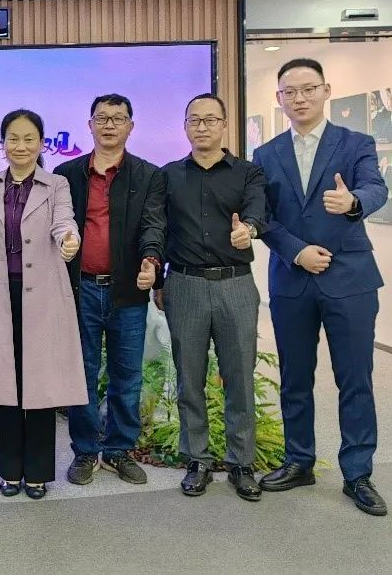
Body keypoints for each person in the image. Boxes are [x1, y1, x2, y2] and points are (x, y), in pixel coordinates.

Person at [253, 58, 388, 517]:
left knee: (355, 379)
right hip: (292, 280)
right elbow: (261, 217)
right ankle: (299, 461)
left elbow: (376, 188)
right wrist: (296, 252)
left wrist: (353, 202)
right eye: (290, 92)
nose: (300, 98)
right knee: (295, 377)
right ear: (279, 99)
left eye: (308, 89)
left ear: (326, 91)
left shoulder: (355, 143)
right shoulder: (266, 154)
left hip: (350, 279)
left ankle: (358, 473)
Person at [0, 109, 87, 499]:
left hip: (45, 296)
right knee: (6, 385)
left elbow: (64, 222)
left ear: (41, 143)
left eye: (29, 139)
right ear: (2, 143)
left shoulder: (56, 185)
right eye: (13, 138)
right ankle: (9, 471)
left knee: (40, 384)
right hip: (0, 294)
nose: (21, 146)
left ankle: (37, 473)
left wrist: (69, 240)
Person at [157, 94, 267, 501]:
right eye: (194, 120)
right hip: (184, 284)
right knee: (190, 378)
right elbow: (158, 228)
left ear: (224, 124)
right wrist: (156, 280)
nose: (202, 127)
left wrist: (247, 230)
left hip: (235, 283)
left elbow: (257, 210)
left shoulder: (248, 173)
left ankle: (241, 463)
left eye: (210, 120)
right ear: (185, 126)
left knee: (239, 377)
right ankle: (197, 459)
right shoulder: (168, 175)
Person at [54, 93, 165, 487]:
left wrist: (151, 259)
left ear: (130, 126)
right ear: (90, 125)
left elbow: (154, 225)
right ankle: (86, 451)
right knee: (81, 373)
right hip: (79, 289)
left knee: (127, 375)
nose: (109, 125)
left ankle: (118, 450)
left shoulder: (149, 175)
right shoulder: (66, 174)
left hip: (127, 291)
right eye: (102, 118)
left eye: (118, 118)